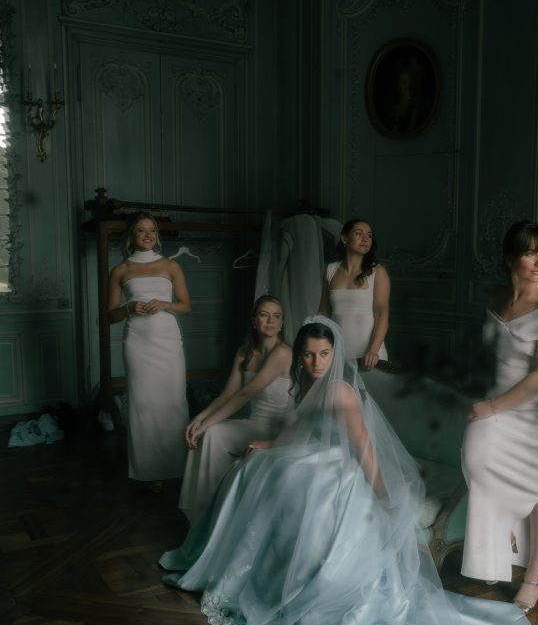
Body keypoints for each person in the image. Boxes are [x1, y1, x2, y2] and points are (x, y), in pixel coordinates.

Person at [160, 317, 538, 625]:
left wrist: (389, 503)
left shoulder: (342, 392)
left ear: (336, 355)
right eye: (308, 354)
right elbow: (299, 430)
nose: (314, 363)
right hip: (313, 465)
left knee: (296, 490)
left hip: (338, 476)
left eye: (324, 355)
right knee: (262, 474)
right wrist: (270, 443)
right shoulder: (310, 386)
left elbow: (365, 449)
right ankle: (252, 566)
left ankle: (302, 579)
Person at [460, 220, 538, 612]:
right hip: (500, 398)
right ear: (510, 258)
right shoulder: (496, 296)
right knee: (476, 460)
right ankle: (499, 543)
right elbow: (491, 354)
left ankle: (534, 576)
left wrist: (491, 407)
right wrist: (484, 394)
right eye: (530, 252)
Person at [178, 296, 292, 525]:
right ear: (254, 320)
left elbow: (245, 394)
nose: (270, 321)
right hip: (254, 423)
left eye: (276, 316)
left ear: (282, 324)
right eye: (264, 314)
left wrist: (206, 424)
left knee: (209, 431)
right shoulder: (245, 353)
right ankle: (206, 511)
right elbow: (228, 393)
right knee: (209, 434)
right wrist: (199, 419)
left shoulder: (283, 353)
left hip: (277, 428)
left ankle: (222, 514)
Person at [108, 212, 191, 489]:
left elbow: (186, 306)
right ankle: (148, 472)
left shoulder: (170, 266)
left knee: (174, 402)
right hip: (137, 342)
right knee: (143, 405)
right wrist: (130, 307)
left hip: (167, 341)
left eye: (152, 231)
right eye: (141, 231)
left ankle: (178, 467)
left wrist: (165, 305)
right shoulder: (120, 270)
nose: (147, 235)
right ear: (131, 235)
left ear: (157, 235)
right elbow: (110, 316)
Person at [317, 218, 389, 368]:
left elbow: (382, 314)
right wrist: (316, 346)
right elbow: (323, 313)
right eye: (358, 233)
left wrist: (373, 351)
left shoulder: (378, 272)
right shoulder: (330, 270)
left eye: (369, 235)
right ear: (344, 238)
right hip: (337, 353)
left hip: (370, 356)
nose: (365, 239)